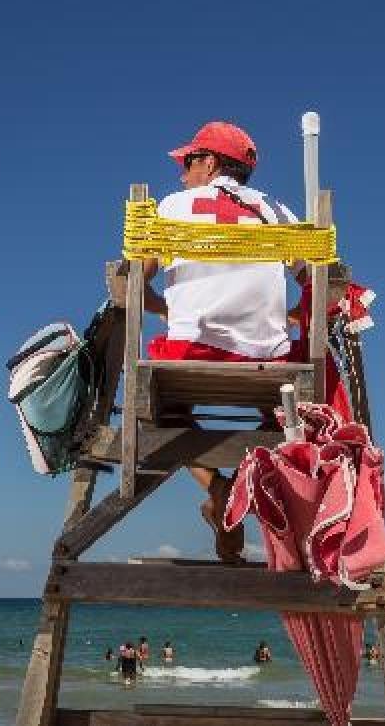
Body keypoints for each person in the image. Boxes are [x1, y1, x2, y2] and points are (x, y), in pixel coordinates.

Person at [141, 121, 301, 564]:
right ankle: (245, 490)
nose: (182, 174)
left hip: (192, 352)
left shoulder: (173, 206)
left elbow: (134, 280)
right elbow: (317, 282)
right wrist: (287, 317)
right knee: (283, 420)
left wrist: (164, 308)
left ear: (209, 163)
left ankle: (220, 489)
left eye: (188, 162)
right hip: (268, 360)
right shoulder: (277, 212)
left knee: (163, 411)